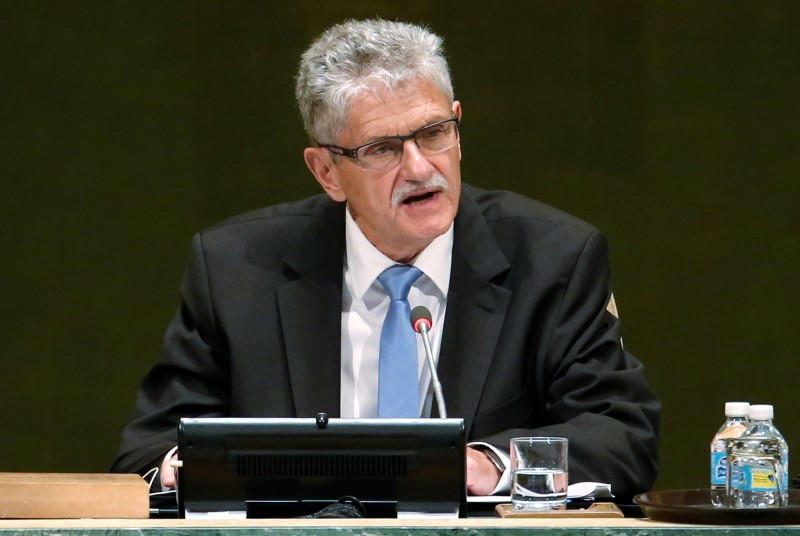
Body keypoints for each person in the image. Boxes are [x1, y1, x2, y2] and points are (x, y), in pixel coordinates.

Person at [112, 18, 660, 499]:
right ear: (326, 171)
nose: (421, 168)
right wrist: (181, 471)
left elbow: (620, 436)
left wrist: (489, 463)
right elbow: (148, 451)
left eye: (434, 133)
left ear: (458, 127)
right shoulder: (236, 269)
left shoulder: (554, 259)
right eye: (382, 149)